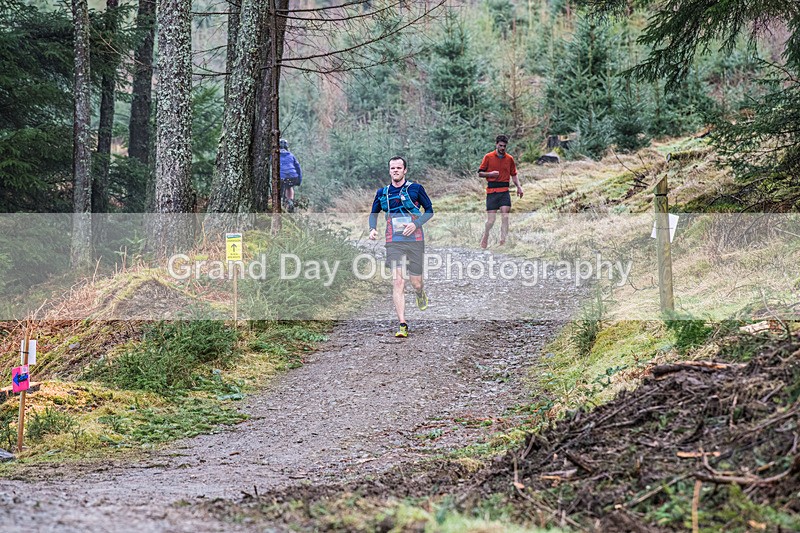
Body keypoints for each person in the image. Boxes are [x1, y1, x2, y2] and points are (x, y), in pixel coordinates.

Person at [369, 156, 434, 338]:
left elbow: (429, 210)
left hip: (415, 239)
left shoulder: (416, 189)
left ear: (405, 170)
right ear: (389, 171)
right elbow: (373, 213)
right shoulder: (382, 192)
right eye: (392, 168)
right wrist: (372, 229)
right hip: (393, 241)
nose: (396, 171)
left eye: (399, 168)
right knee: (398, 281)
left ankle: (420, 293)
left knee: (416, 282)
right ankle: (402, 324)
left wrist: (416, 224)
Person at [478, 134, 523, 248]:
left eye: (504, 146)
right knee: (491, 221)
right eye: (501, 145)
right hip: (492, 192)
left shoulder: (510, 159)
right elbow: (480, 173)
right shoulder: (488, 157)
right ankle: (486, 235)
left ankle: (503, 241)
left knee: (505, 216)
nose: (502, 148)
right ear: (496, 144)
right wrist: (490, 174)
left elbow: (514, 174)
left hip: (504, 191)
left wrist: (519, 187)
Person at [279, 138, 302, 211]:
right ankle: (290, 202)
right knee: (289, 187)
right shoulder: (291, 155)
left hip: (281, 176)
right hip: (293, 176)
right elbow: (298, 167)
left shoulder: (275, 155)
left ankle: (279, 203)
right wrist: (299, 180)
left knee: (279, 188)